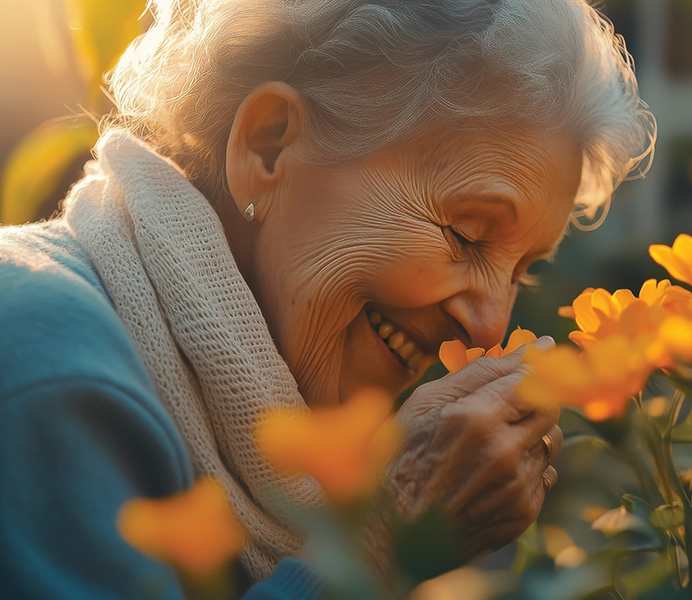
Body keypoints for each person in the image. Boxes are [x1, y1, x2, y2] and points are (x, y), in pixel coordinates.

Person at [0, 0, 654, 598]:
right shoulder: (47, 363)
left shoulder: (270, 457)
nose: (490, 327)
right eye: (466, 234)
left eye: (521, 273)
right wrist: (384, 541)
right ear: (268, 146)